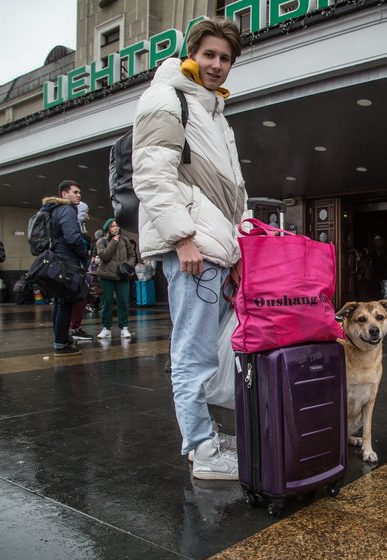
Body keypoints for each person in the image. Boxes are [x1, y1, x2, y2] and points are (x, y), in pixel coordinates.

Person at [132, 16, 246, 480]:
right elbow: (152, 175)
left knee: (213, 350)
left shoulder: (213, 111)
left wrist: (238, 251)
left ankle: (207, 438)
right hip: (192, 249)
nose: (217, 65)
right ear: (191, 55)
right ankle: (201, 449)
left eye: (225, 58)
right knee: (194, 353)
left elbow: (231, 193)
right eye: (209, 55)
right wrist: (182, 238)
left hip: (216, 251)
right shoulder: (167, 97)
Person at [40, 180, 89, 355]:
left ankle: (60, 339)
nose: (79, 195)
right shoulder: (67, 210)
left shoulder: (52, 210)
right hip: (67, 260)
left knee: (60, 302)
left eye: (79, 192)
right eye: (75, 192)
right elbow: (73, 237)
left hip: (56, 259)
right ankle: (61, 343)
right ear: (64, 194)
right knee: (67, 302)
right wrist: (85, 255)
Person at [94, 219, 136, 339]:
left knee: (123, 301)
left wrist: (128, 265)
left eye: (117, 226)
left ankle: (124, 327)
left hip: (122, 276)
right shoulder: (101, 241)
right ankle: (106, 328)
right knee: (106, 302)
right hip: (106, 275)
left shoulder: (125, 240)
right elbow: (104, 256)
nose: (115, 228)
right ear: (108, 228)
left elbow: (132, 255)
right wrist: (113, 242)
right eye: (112, 226)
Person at [69, 201, 94, 341]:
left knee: (78, 299)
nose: (88, 217)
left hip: (77, 269)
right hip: (75, 270)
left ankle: (73, 328)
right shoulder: (75, 230)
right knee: (77, 299)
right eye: (85, 213)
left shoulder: (78, 229)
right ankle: (74, 329)